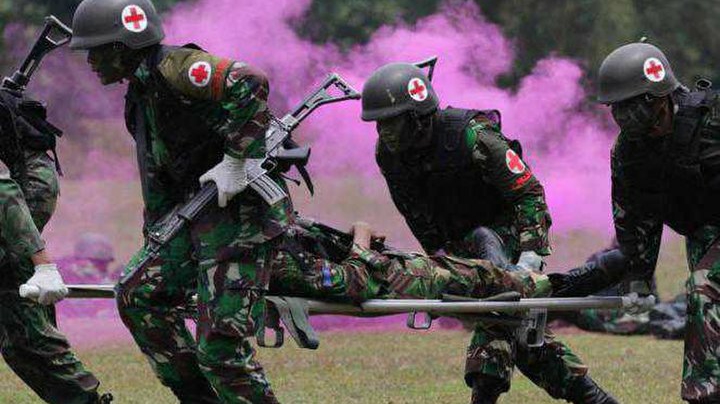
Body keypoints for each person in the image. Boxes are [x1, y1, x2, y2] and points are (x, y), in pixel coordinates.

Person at [71, 0, 293, 401]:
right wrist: (156, 239)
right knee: (137, 296)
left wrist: (237, 160)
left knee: (221, 350)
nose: (89, 60)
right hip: (194, 215)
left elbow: (251, 80)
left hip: (241, 218)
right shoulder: (141, 93)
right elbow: (161, 176)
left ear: (122, 46)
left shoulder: (177, 68)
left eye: (96, 48)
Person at [359, 61, 616, 403]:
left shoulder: (472, 135)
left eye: (391, 122)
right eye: (378, 124)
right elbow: (415, 212)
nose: (384, 132)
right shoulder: (389, 155)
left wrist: (529, 259)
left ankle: (486, 393)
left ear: (417, 116)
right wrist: (438, 259)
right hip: (460, 246)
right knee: (514, 327)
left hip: (507, 234)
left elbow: (528, 192)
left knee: (498, 309)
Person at [551, 41, 720, 403]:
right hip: (704, 232)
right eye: (617, 108)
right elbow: (634, 226)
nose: (624, 118)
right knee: (704, 299)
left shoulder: (712, 120)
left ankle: (704, 395)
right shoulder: (629, 153)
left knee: (705, 289)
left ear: (659, 98)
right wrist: (636, 281)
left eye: (632, 106)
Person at [0, 80, 110, 401]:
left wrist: (42, 266)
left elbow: (3, 193)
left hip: (25, 183)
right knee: (17, 333)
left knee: (22, 325)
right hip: (20, 178)